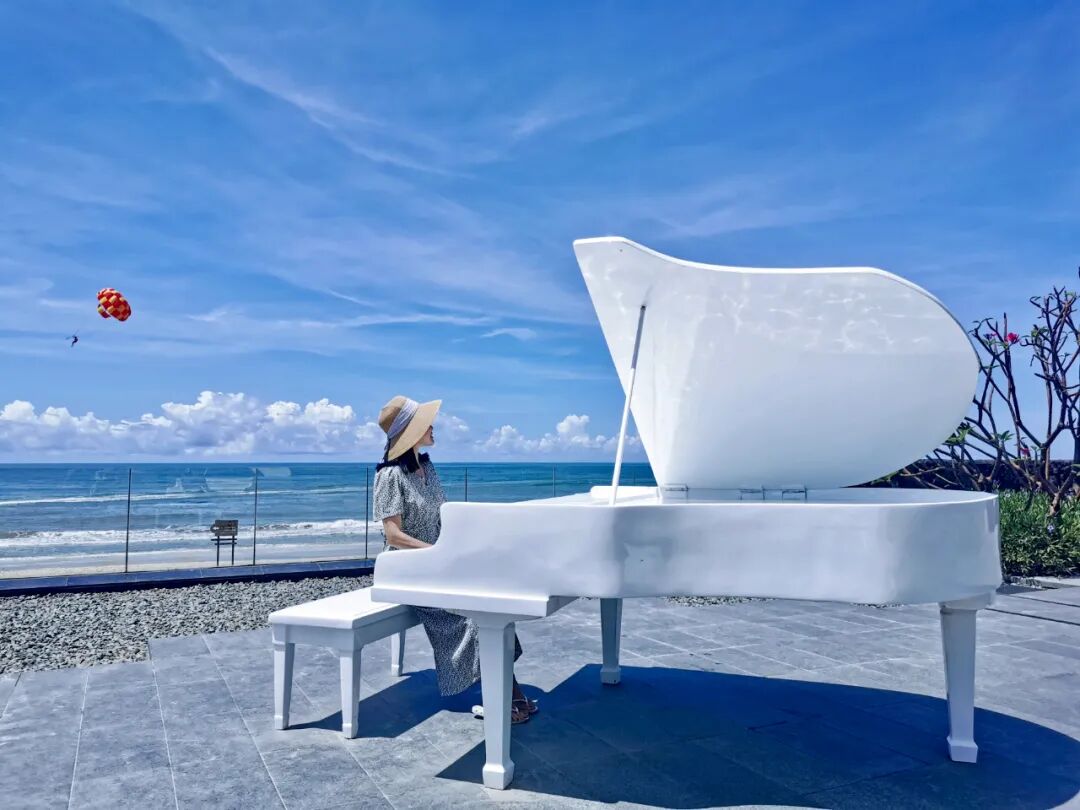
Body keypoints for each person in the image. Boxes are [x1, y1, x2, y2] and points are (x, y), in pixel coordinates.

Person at [372, 395, 537, 724]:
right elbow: (393, 536)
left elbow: (443, 518)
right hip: (409, 568)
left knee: (490, 605)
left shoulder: (427, 468)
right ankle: (508, 701)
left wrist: (460, 547)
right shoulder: (389, 476)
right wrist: (437, 554)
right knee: (472, 617)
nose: (432, 427)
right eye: (425, 423)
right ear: (411, 432)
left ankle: (510, 698)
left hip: (438, 563)